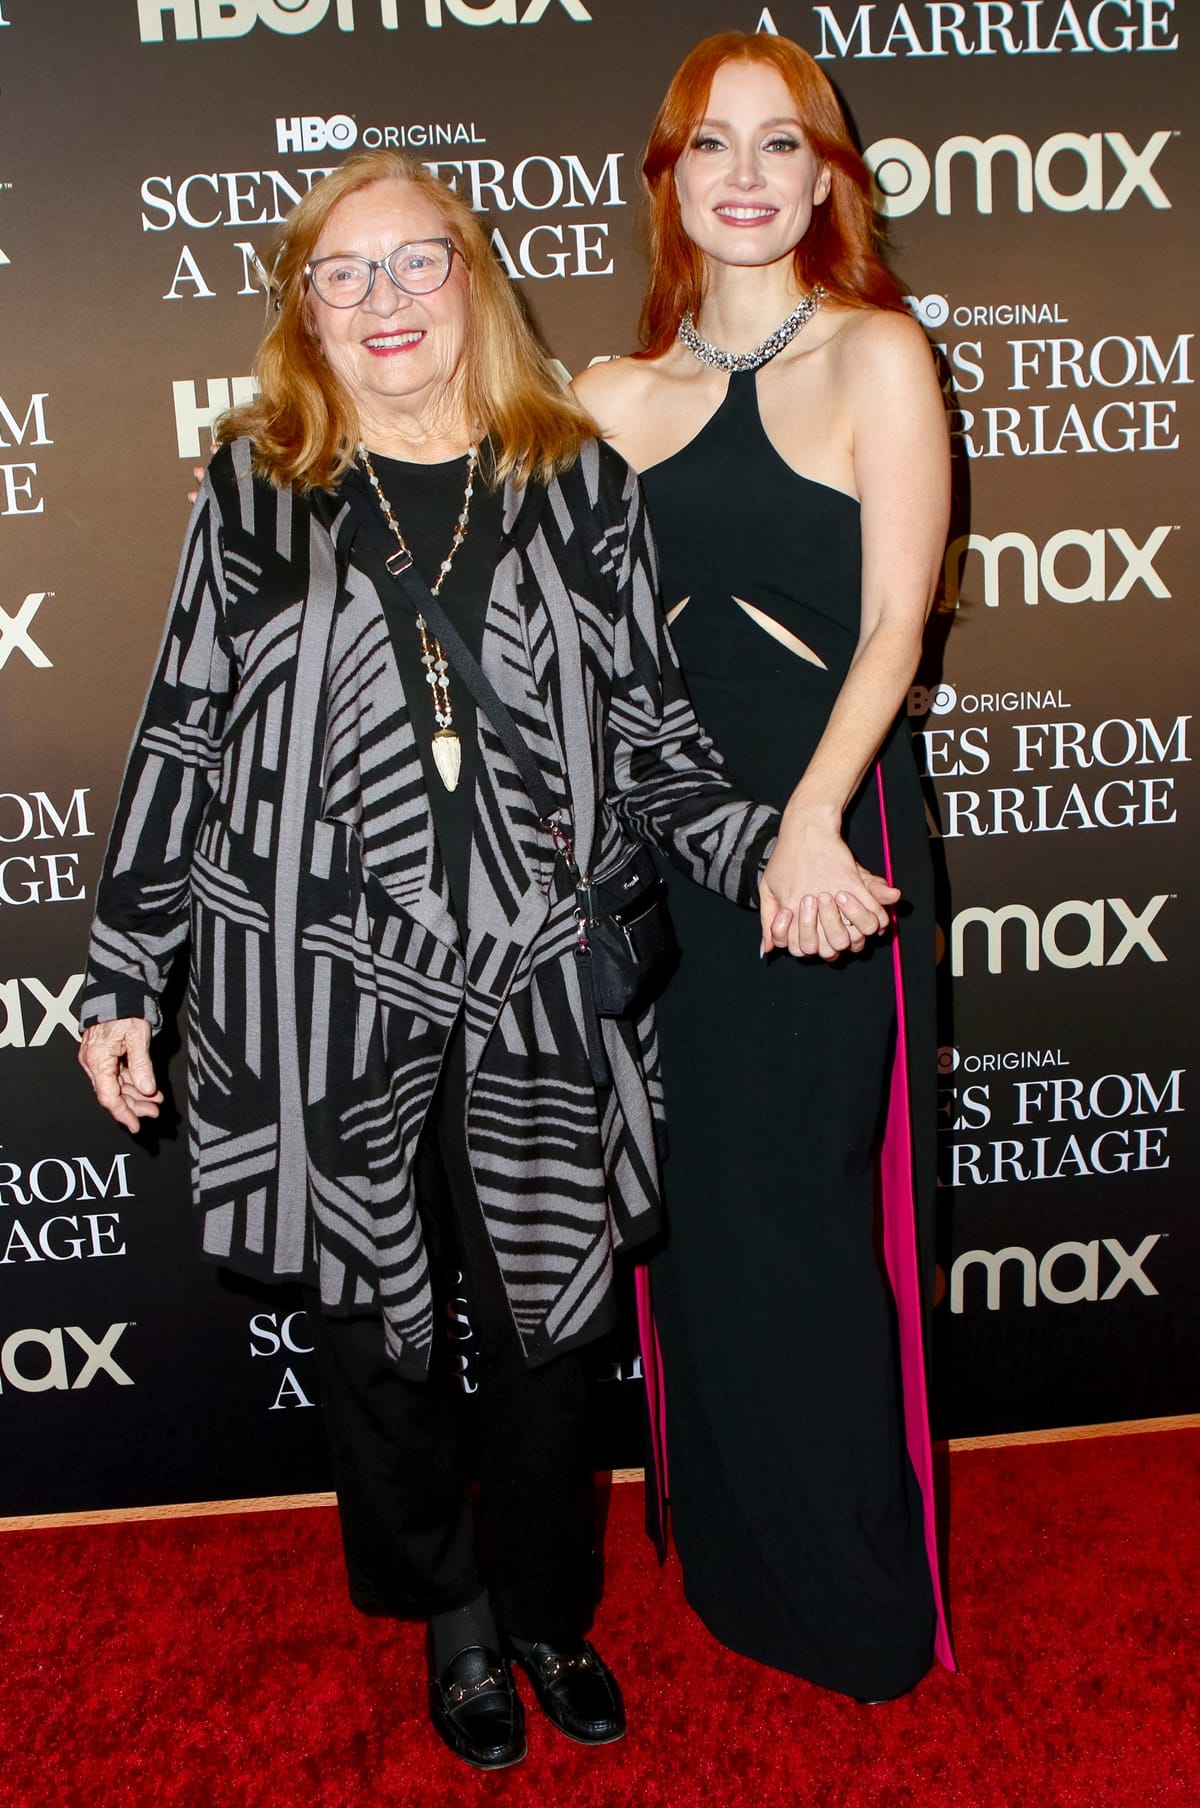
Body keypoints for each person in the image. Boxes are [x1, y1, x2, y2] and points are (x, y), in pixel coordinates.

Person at [77, 149, 784, 1771]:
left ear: (472, 278)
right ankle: (450, 1614)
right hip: (328, 977)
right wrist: (128, 970)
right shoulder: (260, 481)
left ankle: (545, 1606)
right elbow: (184, 732)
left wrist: (764, 847)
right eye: (345, 273)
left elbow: (655, 724)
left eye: (415, 264)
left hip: (540, 973)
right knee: (377, 1324)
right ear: (303, 310)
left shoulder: (575, 475)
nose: (385, 300)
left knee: (551, 1318)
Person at [573, 33, 954, 1701]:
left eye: (778, 144)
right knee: (694, 1214)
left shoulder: (878, 356)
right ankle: (727, 1552)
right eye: (708, 146)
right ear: (668, 179)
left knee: (804, 1211)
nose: (744, 173)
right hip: (665, 861)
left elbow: (896, 625)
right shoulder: (603, 395)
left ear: (824, 175)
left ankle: (854, 1598)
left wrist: (806, 822)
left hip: (828, 843)